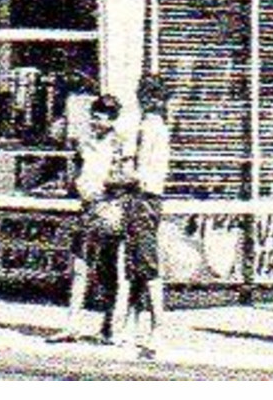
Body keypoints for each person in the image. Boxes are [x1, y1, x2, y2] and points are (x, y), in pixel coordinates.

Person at [52, 93, 131, 343]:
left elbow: (127, 178)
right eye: (95, 117)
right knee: (79, 265)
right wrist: (75, 186)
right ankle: (72, 324)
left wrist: (104, 186)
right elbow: (74, 174)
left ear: (113, 119)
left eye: (103, 118)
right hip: (87, 210)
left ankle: (109, 326)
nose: (97, 123)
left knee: (108, 270)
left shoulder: (120, 145)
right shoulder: (83, 144)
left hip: (110, 210)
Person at [121, 75, 171, 359]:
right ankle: (131, 325)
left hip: (145, 199)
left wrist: (120, 176)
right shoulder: (149, 128)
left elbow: (144, 175)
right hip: (142, 199)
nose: (147, 101)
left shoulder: (153, 130)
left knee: (146, 264)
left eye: (151, 96)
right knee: (135, 263)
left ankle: (157, 329)